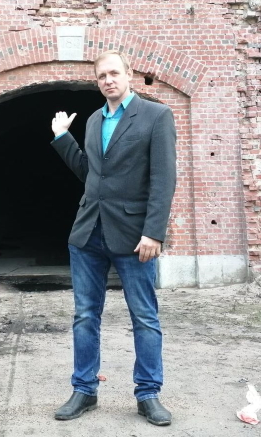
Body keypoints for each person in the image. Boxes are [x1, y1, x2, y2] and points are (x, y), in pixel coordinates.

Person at [49, 50, 177, 426]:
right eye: (102, 76)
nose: (108, 80)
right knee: (85, 316)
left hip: (135, 237)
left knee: (144, 317)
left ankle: (148, 394)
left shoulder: (156, 116)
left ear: (129, 74)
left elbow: (163, 179)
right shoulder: (93, 120)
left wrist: (154, 232)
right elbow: (91, 174)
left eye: (114, 73)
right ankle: (84, 390)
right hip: (88, 234)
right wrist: (62, 138)